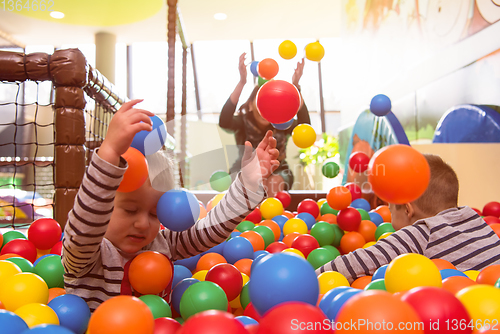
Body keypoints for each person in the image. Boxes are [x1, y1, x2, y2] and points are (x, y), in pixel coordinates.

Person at [62, 99, 280, 311]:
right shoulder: (87, 253)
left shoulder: (162, 244)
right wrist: (109, 154)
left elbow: (209, 231)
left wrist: (248, 184)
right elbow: (86, 224)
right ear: (104, 204)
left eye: (156, 214)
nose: (142, 224)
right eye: (130, 210)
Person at [316, 154, 500, 282]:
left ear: (407, 209)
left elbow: (351, 264)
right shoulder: (474, 218)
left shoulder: (423, 232)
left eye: (389, 205)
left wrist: (311, 276)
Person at [219, 52, 311, 197]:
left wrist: (295, 88)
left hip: (279, 170)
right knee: (253, 185)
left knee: (273, 184)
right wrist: (242, 82)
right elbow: (224, 121)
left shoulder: (282, 122)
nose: (269, 105)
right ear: (250, 105)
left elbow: (305, 128)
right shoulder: (243, 122)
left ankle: (270, 219)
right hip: (245, 169)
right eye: (263, 100)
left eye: (272, 102)